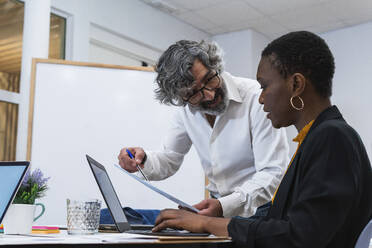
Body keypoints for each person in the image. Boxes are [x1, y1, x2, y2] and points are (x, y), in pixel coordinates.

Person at [152, 31, 372, 247]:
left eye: (265, 86)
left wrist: (207, 223)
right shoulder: (317, 138)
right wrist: (209, 221)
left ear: (296, 85)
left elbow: (300, 236)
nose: (261, 98)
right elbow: (284, 224)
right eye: (193, 93)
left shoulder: (332, 137)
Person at [101, 40, 289, 224]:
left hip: (259, 213)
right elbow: (170, 158)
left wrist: (224, 206)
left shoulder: (257, 97)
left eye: (209, 79)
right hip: (216, 212)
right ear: (179, 98)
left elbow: (272, 173)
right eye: (193, 93)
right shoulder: (186, 110)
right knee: (118, 217)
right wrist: (142, 160)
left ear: (215, 65)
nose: (210, 94)